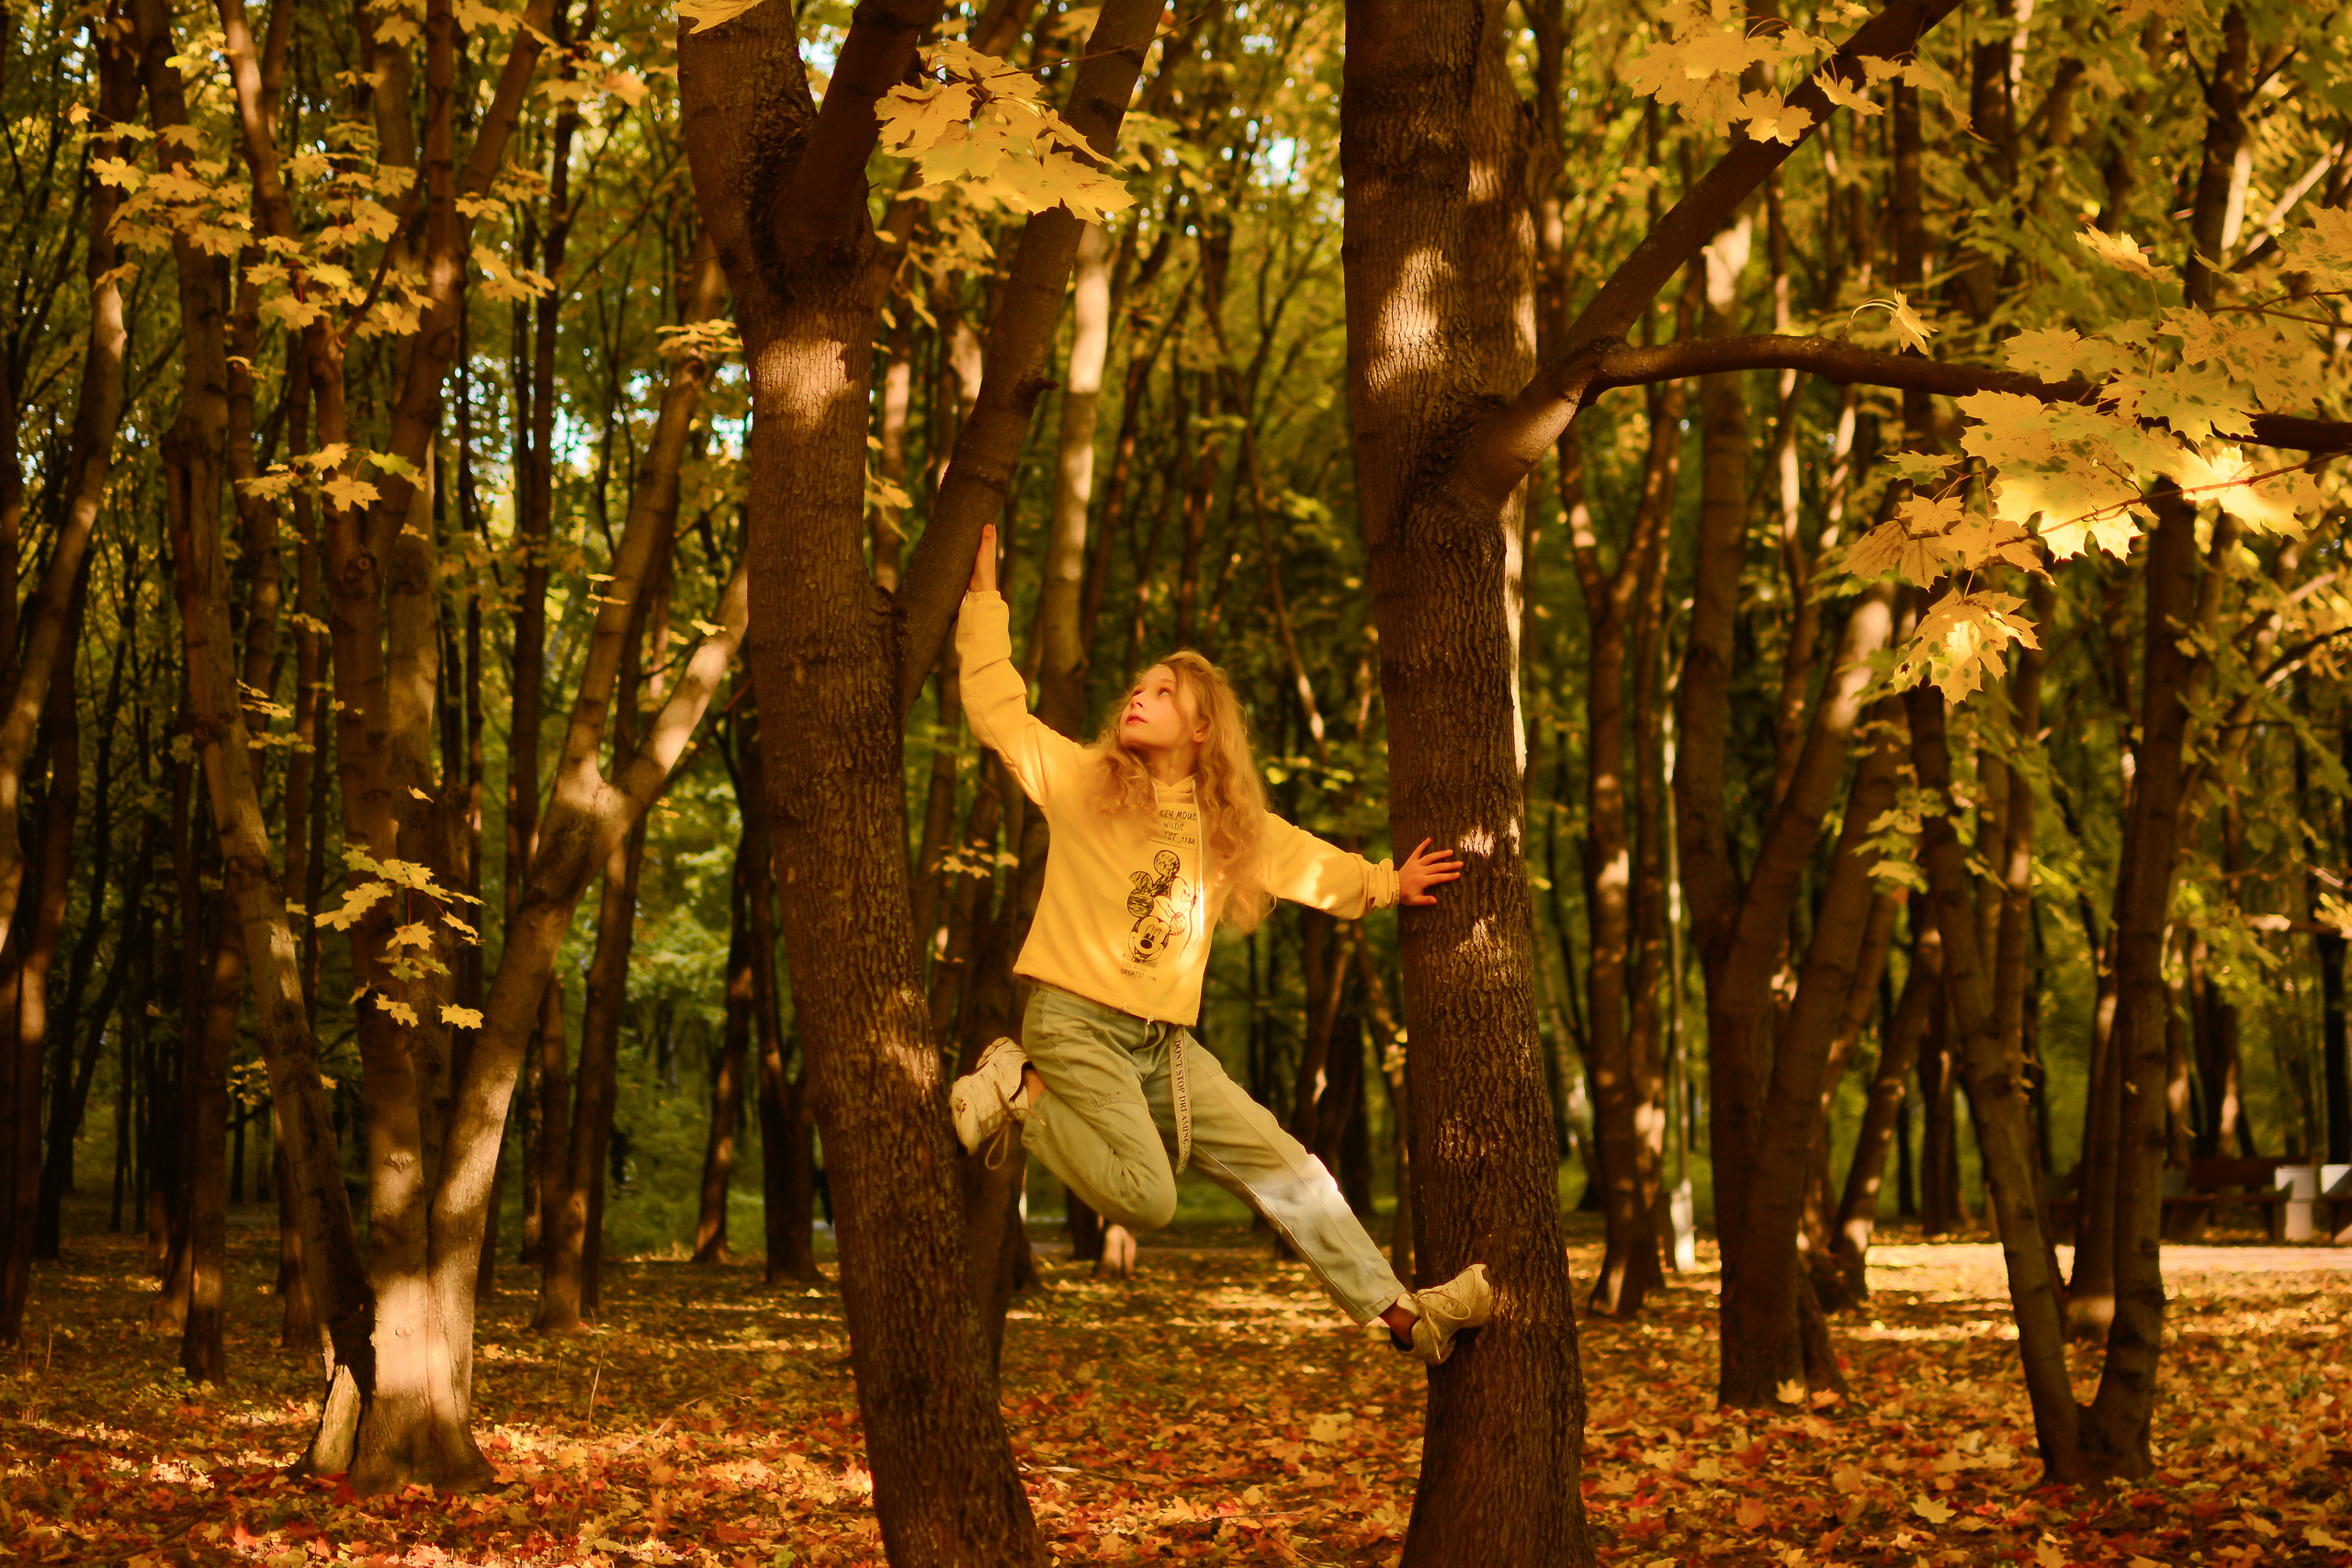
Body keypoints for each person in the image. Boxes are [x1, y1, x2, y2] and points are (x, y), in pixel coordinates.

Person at [946, 524, 1492, 1365]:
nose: (1139, 696)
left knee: (1287, 1165)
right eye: (1138, 688)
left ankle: (1404, 1317)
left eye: (1163, 692)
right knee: (1150, 1198)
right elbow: (997, 711)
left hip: (1163, 1048)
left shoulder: (1226, 823)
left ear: (1202, 729)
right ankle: (1019, 1087)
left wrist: (1388, 883)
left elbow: (1307, 863)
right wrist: (984, 599)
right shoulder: (1082, 781)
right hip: (1074, 1023)